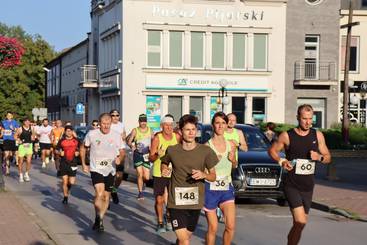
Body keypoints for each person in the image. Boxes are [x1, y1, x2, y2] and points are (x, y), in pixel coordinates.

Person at [268, 104, 331, 245]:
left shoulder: (318, 135)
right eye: (304, 119)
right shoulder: (287, 135)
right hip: (292, 185)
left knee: (300, 225)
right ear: (298, 117)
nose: (308, 122)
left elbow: (328, 157)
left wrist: (319, 157)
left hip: (308, 186)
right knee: (300, 220)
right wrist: (282, 161)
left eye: (310, 119)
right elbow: (272, 151)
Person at [161, 114, 218, 245]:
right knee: (185, 240)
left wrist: (204, 175)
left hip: (195, 202)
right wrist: (165, 169)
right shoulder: (172, 150)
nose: (191, 132)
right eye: (187, 129)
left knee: (185, 238)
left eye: (194, 129)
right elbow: (165, 162)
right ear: (180, 131)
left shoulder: (205, 151)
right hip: (176, 202)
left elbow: (213, 176)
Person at [80, 113, 125, 232]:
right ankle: (98, 218)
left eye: (108, 124)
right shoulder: (92, 134)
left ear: (111, 124)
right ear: (99, 124)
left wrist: (119, 158)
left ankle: (99, 218)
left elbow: (122, 151)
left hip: (110, 169)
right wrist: (84, 164)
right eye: (104, 124)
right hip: (96, 168)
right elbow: (83, 147)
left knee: (106, 197)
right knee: (99, 193)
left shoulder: (116, 135)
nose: (106, 126)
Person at [204, 112, 237, 245]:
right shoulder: (206, 146)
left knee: (230, 226)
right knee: (213, 228)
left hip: (226, 187)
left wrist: (233, 159)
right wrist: (213, 162)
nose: (220, 126)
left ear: (226, 124)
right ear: (213, 125)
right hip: (210, 189)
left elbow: (234, 165)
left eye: (223, 123)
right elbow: (203, 171)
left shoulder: (232, 144)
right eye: (217, 123)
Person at [149, 115, 181, 233]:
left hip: (174, 172)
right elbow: (151, 158)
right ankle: (160, 222)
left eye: (170, 125)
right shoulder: (157, 138)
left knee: (172, 199)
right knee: (159, 200)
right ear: (162, 126)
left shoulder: (177, 137)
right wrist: (158, 154)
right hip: (159, 172)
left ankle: (168, 217)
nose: (168, 128)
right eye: (166, 125)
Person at [127, 114, 153, 200]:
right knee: (139, 174)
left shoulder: (150, 130)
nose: (143, 123)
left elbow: (154, 141)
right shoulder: (135, 130)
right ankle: (140, 193)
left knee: (146, 177)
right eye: (141, 121)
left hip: (146, 155)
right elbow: (129, 141)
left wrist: (152, 148)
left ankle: (143, 183)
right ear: (139, 122)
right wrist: (132, 146)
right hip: (138, 154)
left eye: (144, 121)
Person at [55, 125, 80, 204]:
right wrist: (59, 152)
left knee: (71, 182)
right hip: (64, 163)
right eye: (67, 131)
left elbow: (82, 149)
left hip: (73, 163)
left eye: (70, 131)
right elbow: (56, 150)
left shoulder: (77, 140)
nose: (69, 132)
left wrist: (78, 152)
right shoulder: (61, 141)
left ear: (72, 132)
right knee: (65, 181)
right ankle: (65, 197)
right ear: (65, 132)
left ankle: (68, 188)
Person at [109, 109, 127, 204]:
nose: (115, 117)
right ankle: (107, 197)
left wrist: (124, 136)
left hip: (120, 152)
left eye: (117, 115)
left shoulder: (121, 125)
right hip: (110, 152)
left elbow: (124, 135)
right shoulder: (108, 125)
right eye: (113, 115)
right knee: (110, 175)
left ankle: (114, 190)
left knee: (119, 176)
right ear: (110, 116)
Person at [14, 118, 35, 182]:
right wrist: (18, 140)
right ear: (24, 122)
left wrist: (33, 138)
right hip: (22, 146)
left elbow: (33, 136)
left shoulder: (32, 128)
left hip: (29, 145)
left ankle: (26, 174)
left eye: (28, 122)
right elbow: (15, 136)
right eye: (26, 122)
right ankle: (20, 175)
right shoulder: (20, 129)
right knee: (21, 161)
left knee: (29, 161)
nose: (27, 123)